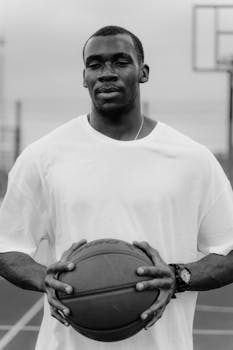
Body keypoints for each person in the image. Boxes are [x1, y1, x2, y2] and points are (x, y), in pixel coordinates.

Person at [0, 25, 233, 350]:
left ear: (143, 71)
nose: (106, 73)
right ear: (84, 76)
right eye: (95, 64)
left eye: (120, 62)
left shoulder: (192, 159)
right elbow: (7, 245)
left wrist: (179, 276)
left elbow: (229, 249)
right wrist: (44, 277)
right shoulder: (44, 155)